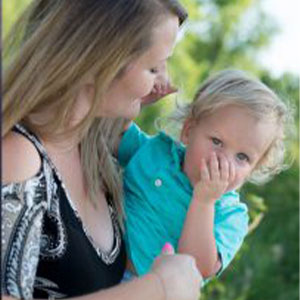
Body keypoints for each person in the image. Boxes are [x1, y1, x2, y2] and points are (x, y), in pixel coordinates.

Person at [1, 1, 202, 300]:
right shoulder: (19, 156)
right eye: (154, 67)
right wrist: (156, 289)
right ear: (101, 61)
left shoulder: (91, 155)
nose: (164, 81)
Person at [119, 69, 294, 283]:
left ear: (254, 168)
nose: (224, 162)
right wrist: (135, 100)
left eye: (242, 157)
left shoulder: (230, 215)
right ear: (188, 130)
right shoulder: (157, 153)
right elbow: (111, 131)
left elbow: (197, 267)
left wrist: (204, 201)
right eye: (217, 142)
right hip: (95, 258)